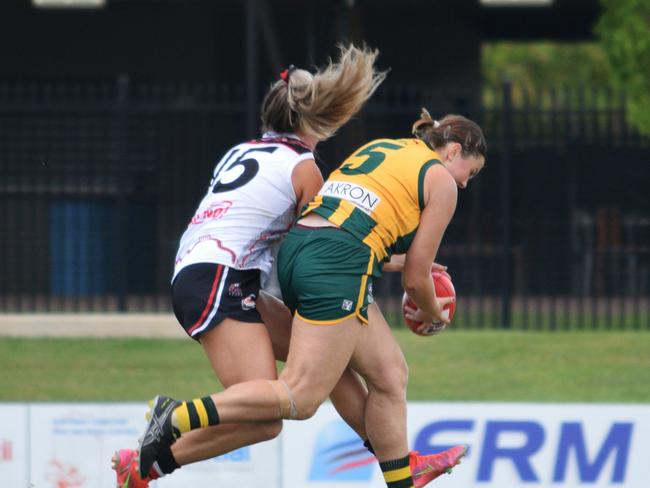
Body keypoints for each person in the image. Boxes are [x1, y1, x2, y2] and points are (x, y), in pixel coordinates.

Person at [113, 45, 465, 488]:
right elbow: (319, 239)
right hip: (224, 279)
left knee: (287, 400)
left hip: (203, 273)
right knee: (288, 399)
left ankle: (143, 467)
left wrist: (389, 261)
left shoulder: (243, 150)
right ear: (315, 119)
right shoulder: (305, 169)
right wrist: (397, 262)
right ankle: (175, 415)